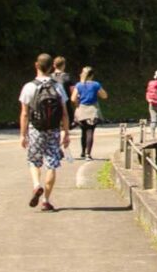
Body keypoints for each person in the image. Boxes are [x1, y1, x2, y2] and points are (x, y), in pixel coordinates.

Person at [19, 53, 71, 212]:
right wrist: (66, 132)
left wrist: (23, 134)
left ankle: (36, 185)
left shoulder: (29, 87)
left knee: (34, 161)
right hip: (53, 130)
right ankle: (46, 201)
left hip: (36, 129)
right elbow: (64, 113)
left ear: (36, 65)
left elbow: (25, 113)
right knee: (52, 164)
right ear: (51, 67)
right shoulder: (58, 86)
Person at [72, 66, 108, 160]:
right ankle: (88, 154)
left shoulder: (79, 85)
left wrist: (78, 101)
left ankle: (83, 152)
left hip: (81, 110)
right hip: (92, 110)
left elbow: (73, 98)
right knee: (90, 131)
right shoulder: (96, 84)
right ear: (92, 75)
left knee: (83, 131)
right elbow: (104, 96)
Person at [51, 56, 74, 128]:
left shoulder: (49, 77)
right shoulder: (67, 77)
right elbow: (73, 92)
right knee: (65, 128)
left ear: (54, 65)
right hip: (66, 106)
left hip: (52, 106)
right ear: (64, 65)